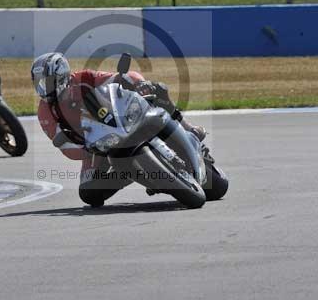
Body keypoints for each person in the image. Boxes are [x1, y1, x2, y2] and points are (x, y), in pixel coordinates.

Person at [31, 52, 207, 207]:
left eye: (47, 82)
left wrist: (140, 83)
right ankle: (133, 173)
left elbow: (121, 77)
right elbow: (64, 145)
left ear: (62, 76)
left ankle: (188, 128)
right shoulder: (45, 112)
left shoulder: (83, 80)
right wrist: (86, 148)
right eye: (39, 83)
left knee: (158, 90)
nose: (43, 88)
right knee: (88, 193)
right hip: (95, 146)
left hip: (122, 120)